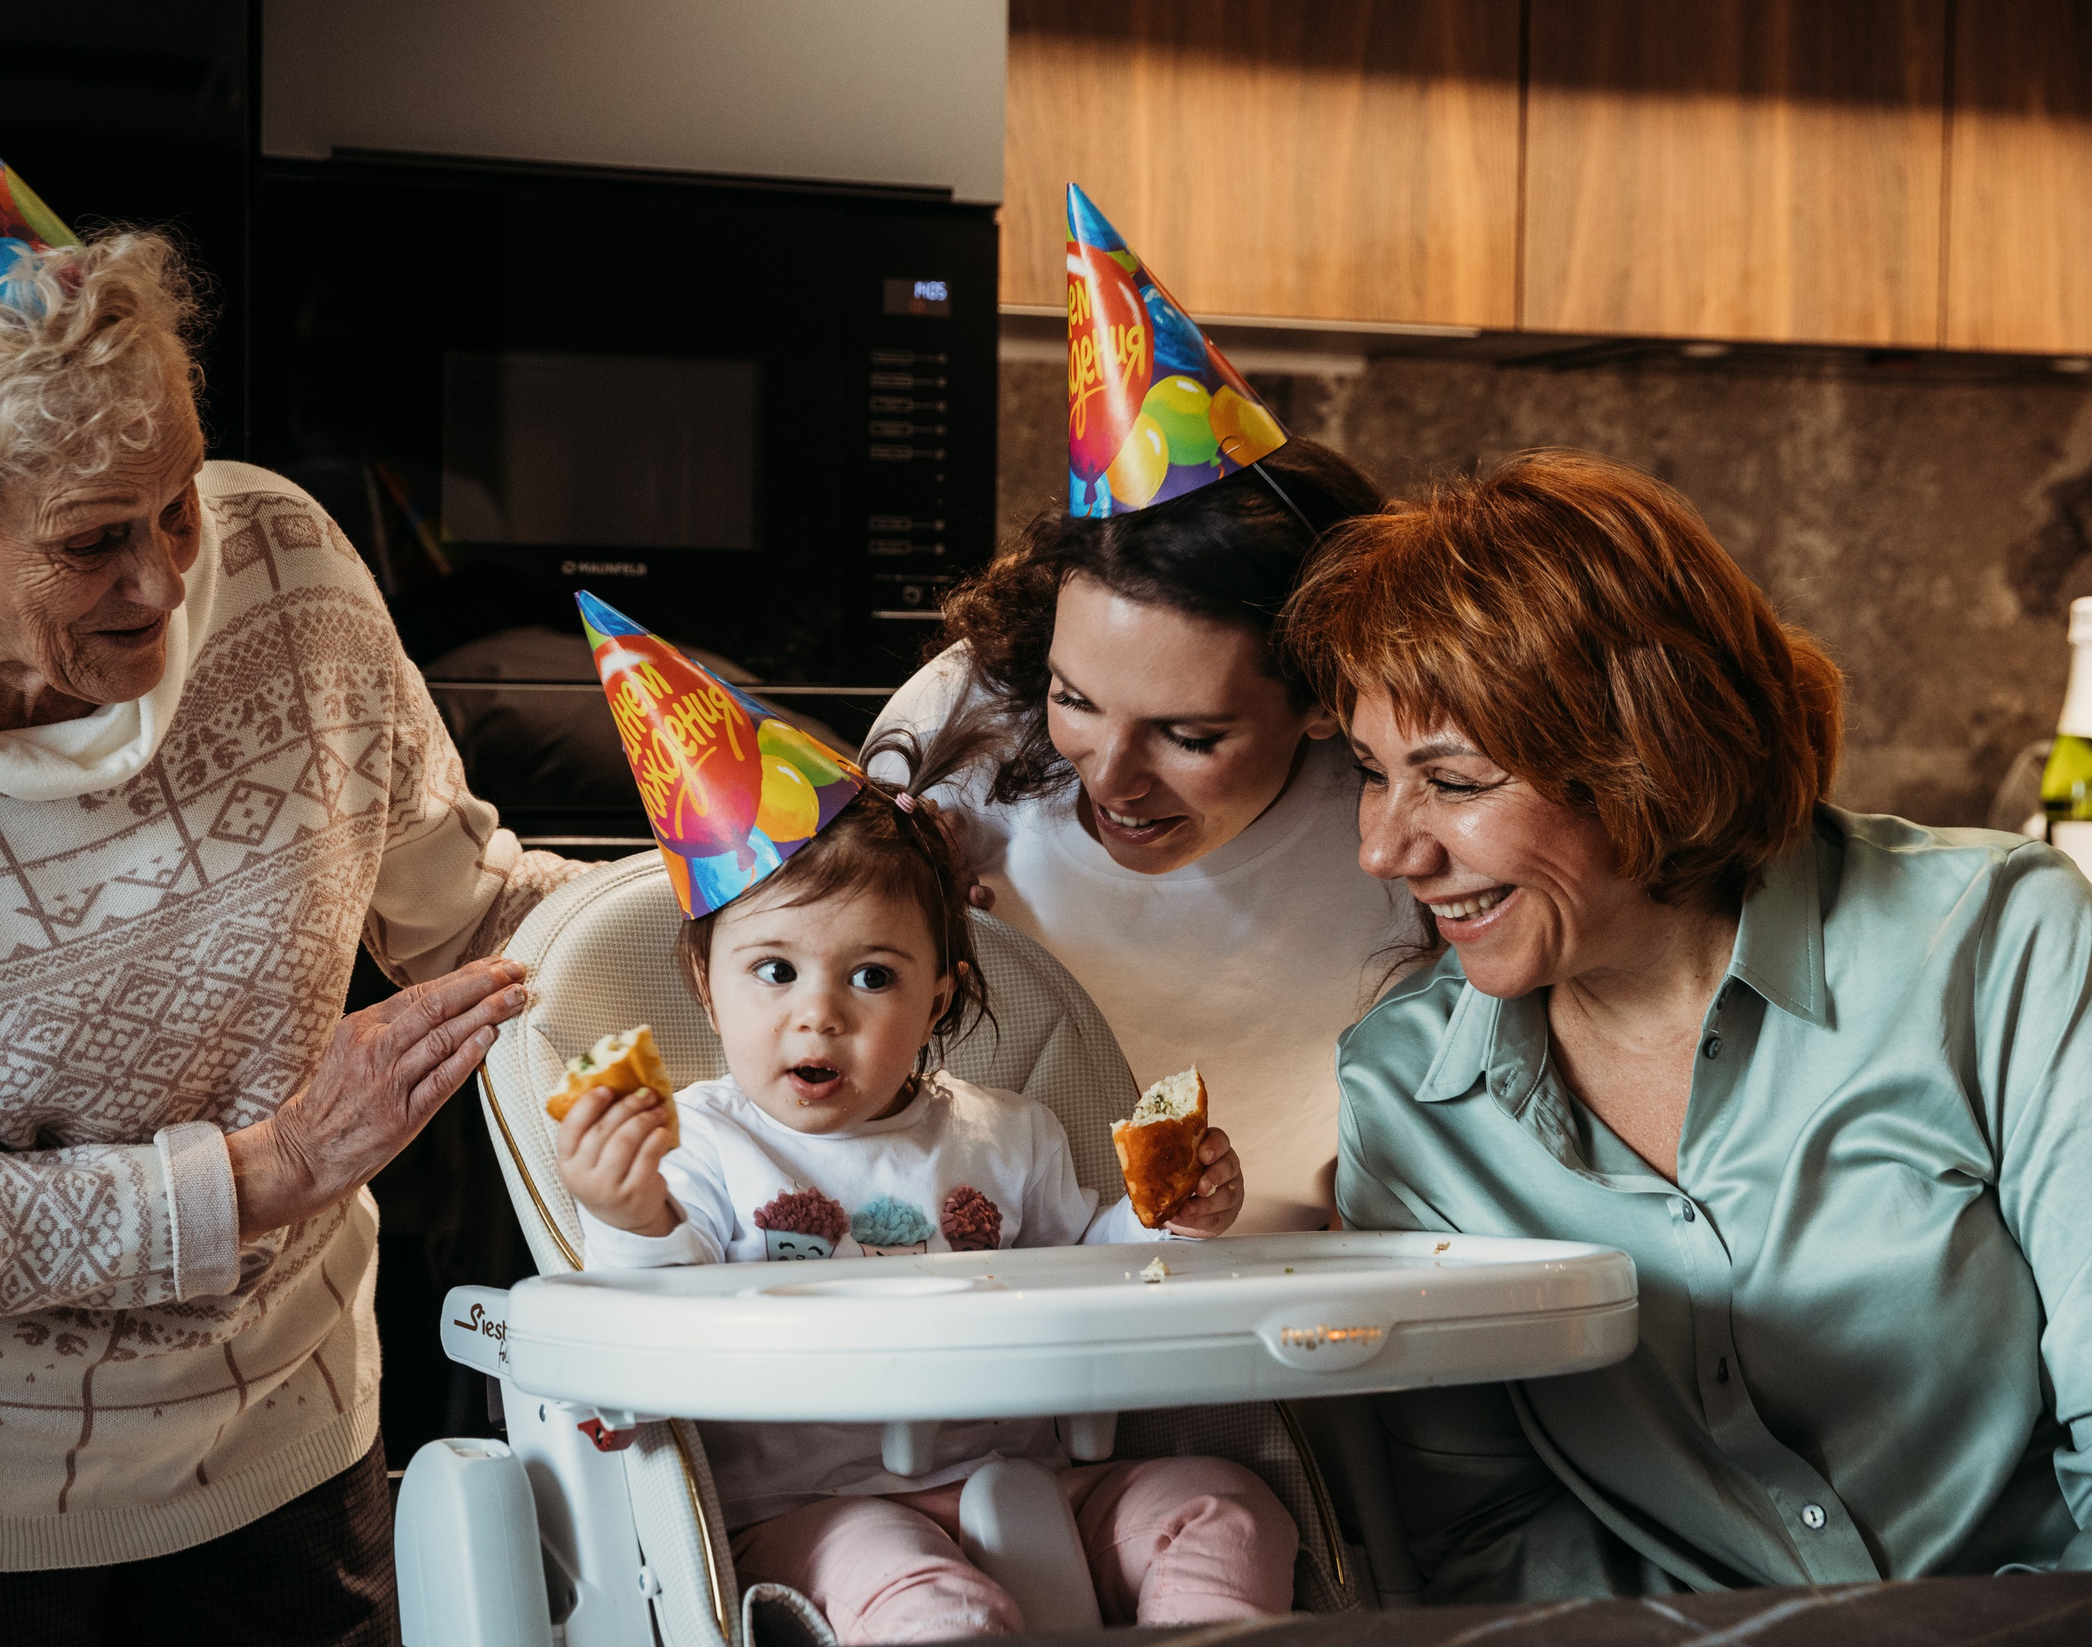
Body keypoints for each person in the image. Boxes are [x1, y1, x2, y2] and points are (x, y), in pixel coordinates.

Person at [0, 219, 574, 1642]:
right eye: (92, 543)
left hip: (278, 1437)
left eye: (179, 504)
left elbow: (475, 911)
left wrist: (753, 913)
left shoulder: (289, 570)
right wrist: (269, 1170)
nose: (164, 579)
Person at [1290, 449, 2092, 1597]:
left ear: (1643, 750)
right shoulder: (1406, 1094)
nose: (1384, 849)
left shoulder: (1994, 940)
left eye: (1455, 784)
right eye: (1371, 774)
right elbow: (1485, 1531)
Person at [555, 775, 1295, 1641]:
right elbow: (644, 1355)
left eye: (871, 975)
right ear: (706, 983)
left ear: (937, 999)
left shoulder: (1011, 1134)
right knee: (937, 1609)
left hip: (1033, 1482)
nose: (818, 1013)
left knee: (1225, 1504)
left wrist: (1170, 1219)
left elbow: (1103, 1272)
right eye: (774, 970)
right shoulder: (696, 1147)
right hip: (817, 1514)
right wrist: (630, 1217)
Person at [868, 442, 1408, 1232]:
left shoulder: (1398, 807)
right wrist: (883, 925)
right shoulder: (952, 733)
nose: (1112, 779)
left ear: (1325, 693)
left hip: (1277, 1278)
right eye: (1074, 698)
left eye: (1189, 736)